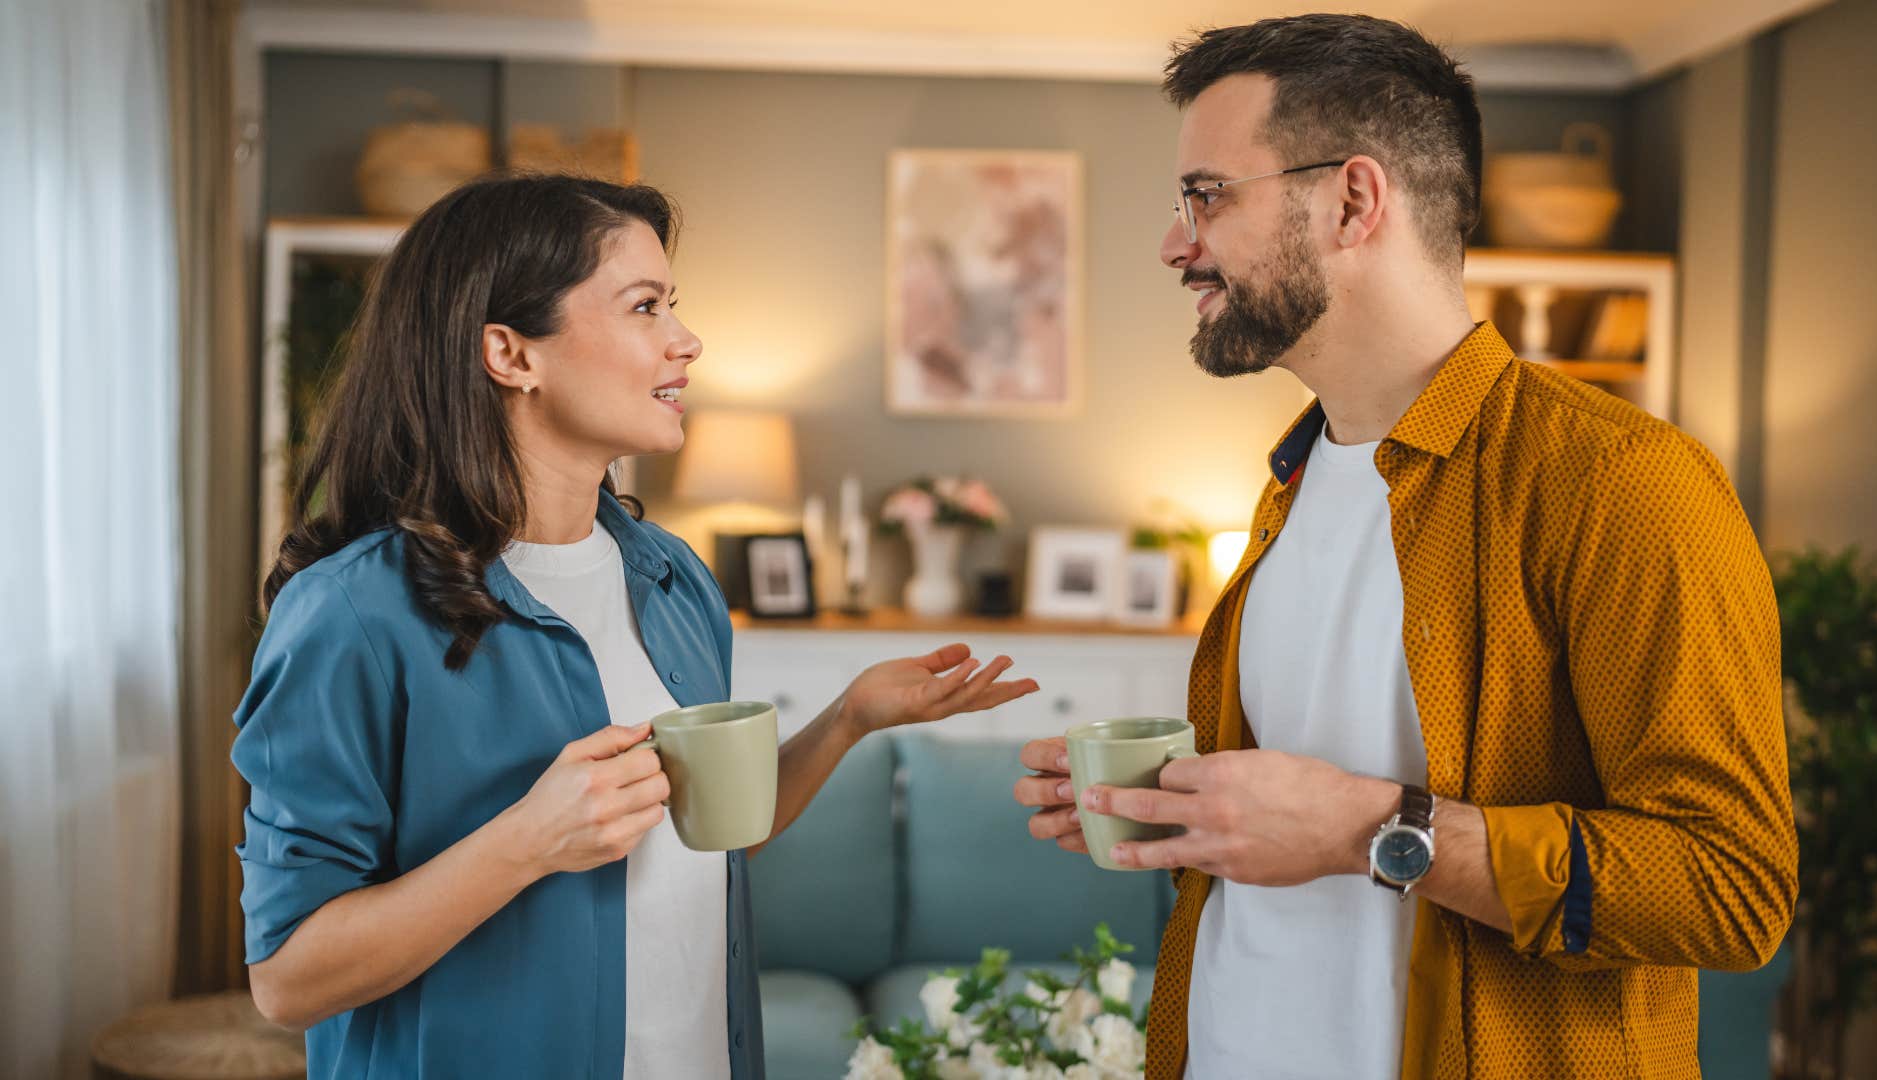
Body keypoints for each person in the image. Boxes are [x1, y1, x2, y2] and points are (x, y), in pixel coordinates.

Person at [1014, 15, 1795, 1079]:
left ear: (1352, 201)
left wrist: (1368, 830)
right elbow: (1326, 795)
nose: (1174, 242)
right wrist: (1187, 805)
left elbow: (1729, 888)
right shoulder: (1290, 485)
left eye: (1207, 195)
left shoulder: (1621, 483)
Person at [234, 174, 1038, 1078]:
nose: (687, 341)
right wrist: (526, 843)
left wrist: (848, 719)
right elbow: (289, 977)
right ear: (510, 353)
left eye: (674, 305)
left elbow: (705, 831)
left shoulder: (674, 579)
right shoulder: (354, 612)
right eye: (645, 307)